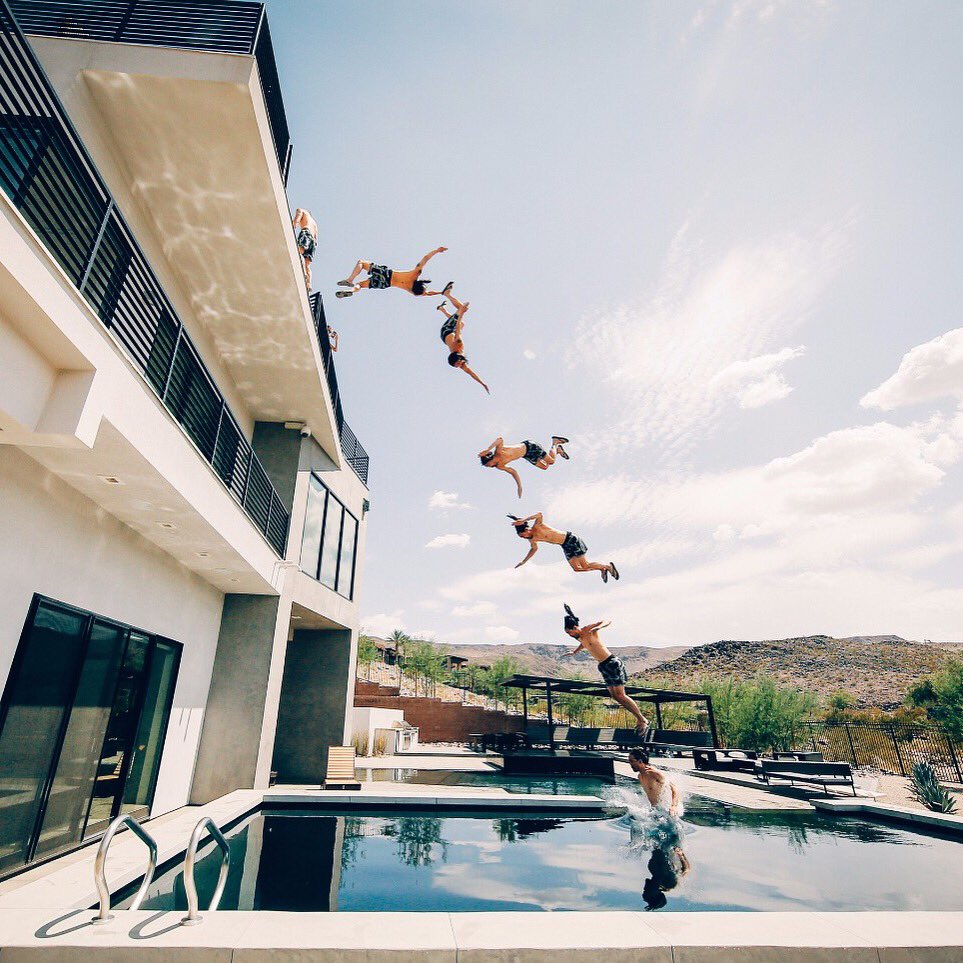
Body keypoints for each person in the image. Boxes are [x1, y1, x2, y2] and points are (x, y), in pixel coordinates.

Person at [564, 605, 648, 734]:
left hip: (612, 663)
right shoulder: (580, 637)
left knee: (621, 694)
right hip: (603, 666)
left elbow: (607, 621)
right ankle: (640, 719)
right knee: (615, 696)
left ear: (575, 628)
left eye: (569, 632)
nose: (569, 635)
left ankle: (642, 720)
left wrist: (599, 627)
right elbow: (584, 643)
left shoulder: (587, 630)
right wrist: (575, 652)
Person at [507, 513, 619, 581]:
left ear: (526, 530)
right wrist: (523, 561)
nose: (523, 538)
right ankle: (601, 568)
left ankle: (608, 567)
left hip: (571, 539)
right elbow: (533, 549)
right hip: (564, 546)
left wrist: (524, 520)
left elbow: (539, 514)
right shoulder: (532, 539)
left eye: (522, 536)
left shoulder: (538, 526)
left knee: (585, 564)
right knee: (577, 569)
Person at [336, 247, 450, 298]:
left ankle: (350, 280)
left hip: (387, 274)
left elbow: (425, 259)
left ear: (421, 283)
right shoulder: (412, 291)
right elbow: (428, 293)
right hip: (385, 284)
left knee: (361, 262)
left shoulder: (415, 274)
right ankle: (351, 290)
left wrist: (437, 251)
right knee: (360, 285)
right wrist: (441, 292)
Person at [479, 434, 570, 497]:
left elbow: (500, 439)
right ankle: (557, 451)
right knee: (545, 467)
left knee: (551, 461)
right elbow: (513, 472)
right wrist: (519, 486)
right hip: (526, 455)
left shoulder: (498, 452)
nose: (489, 467)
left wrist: (487, 450)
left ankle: (555, 442)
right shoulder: (500, 466)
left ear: (489, 460)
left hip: (530, 446)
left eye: (488, 465)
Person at [437, 291, 490, 393]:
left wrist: (461, 313)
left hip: (446, 330)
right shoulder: (462, 364)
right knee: (462, 324)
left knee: (461, 308)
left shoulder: (458, 344)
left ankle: (446, 293)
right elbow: (471, 373)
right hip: (448, 335)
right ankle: (442, 309)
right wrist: (483, 384)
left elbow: (457, 329)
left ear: (457, 358)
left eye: (457, 364)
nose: (459, 366)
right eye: (457, 366)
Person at [628, 747, 680, 815]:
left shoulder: (653, 773)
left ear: (640, 761)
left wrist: (673, 806)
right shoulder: (640, 776)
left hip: (667, 811)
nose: (630, 764)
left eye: (631, 761)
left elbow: (674, 788)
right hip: (656, 811)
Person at [642, 841, 691, 911]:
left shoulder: (663, 882)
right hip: (663, 854)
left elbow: (686, 870)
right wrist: (681, 855)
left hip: (661, 857)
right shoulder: (668, 883)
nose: (644, 890)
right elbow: (686, 870)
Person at [292, 208, 318, 289]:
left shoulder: (301, 210)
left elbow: (298, 217)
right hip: (313, 242)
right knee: (307, 265)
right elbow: (316, 238)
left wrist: (294, 224)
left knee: (300, 253)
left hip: (306, 232)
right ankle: (309, 284)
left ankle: (305, 275)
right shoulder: (314, 224)